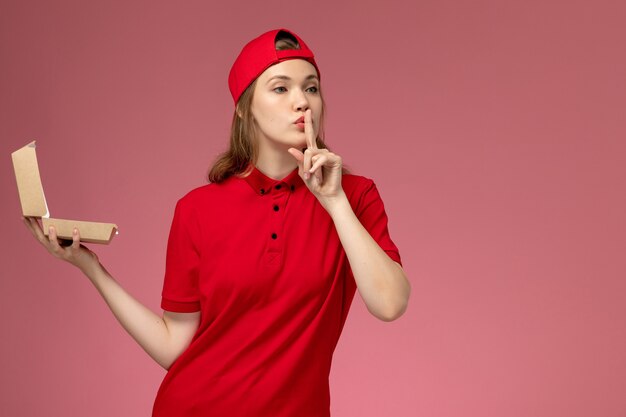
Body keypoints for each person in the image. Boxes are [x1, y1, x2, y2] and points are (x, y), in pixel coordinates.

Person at [23, 28, 410, 417]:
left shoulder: (355, 196)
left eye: (311, 88)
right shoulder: (197, 210)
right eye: (280, 88)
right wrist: (92, 268)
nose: (302, 102)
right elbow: (175, 345)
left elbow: (390, 303)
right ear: (244, 107)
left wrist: (335, 202)